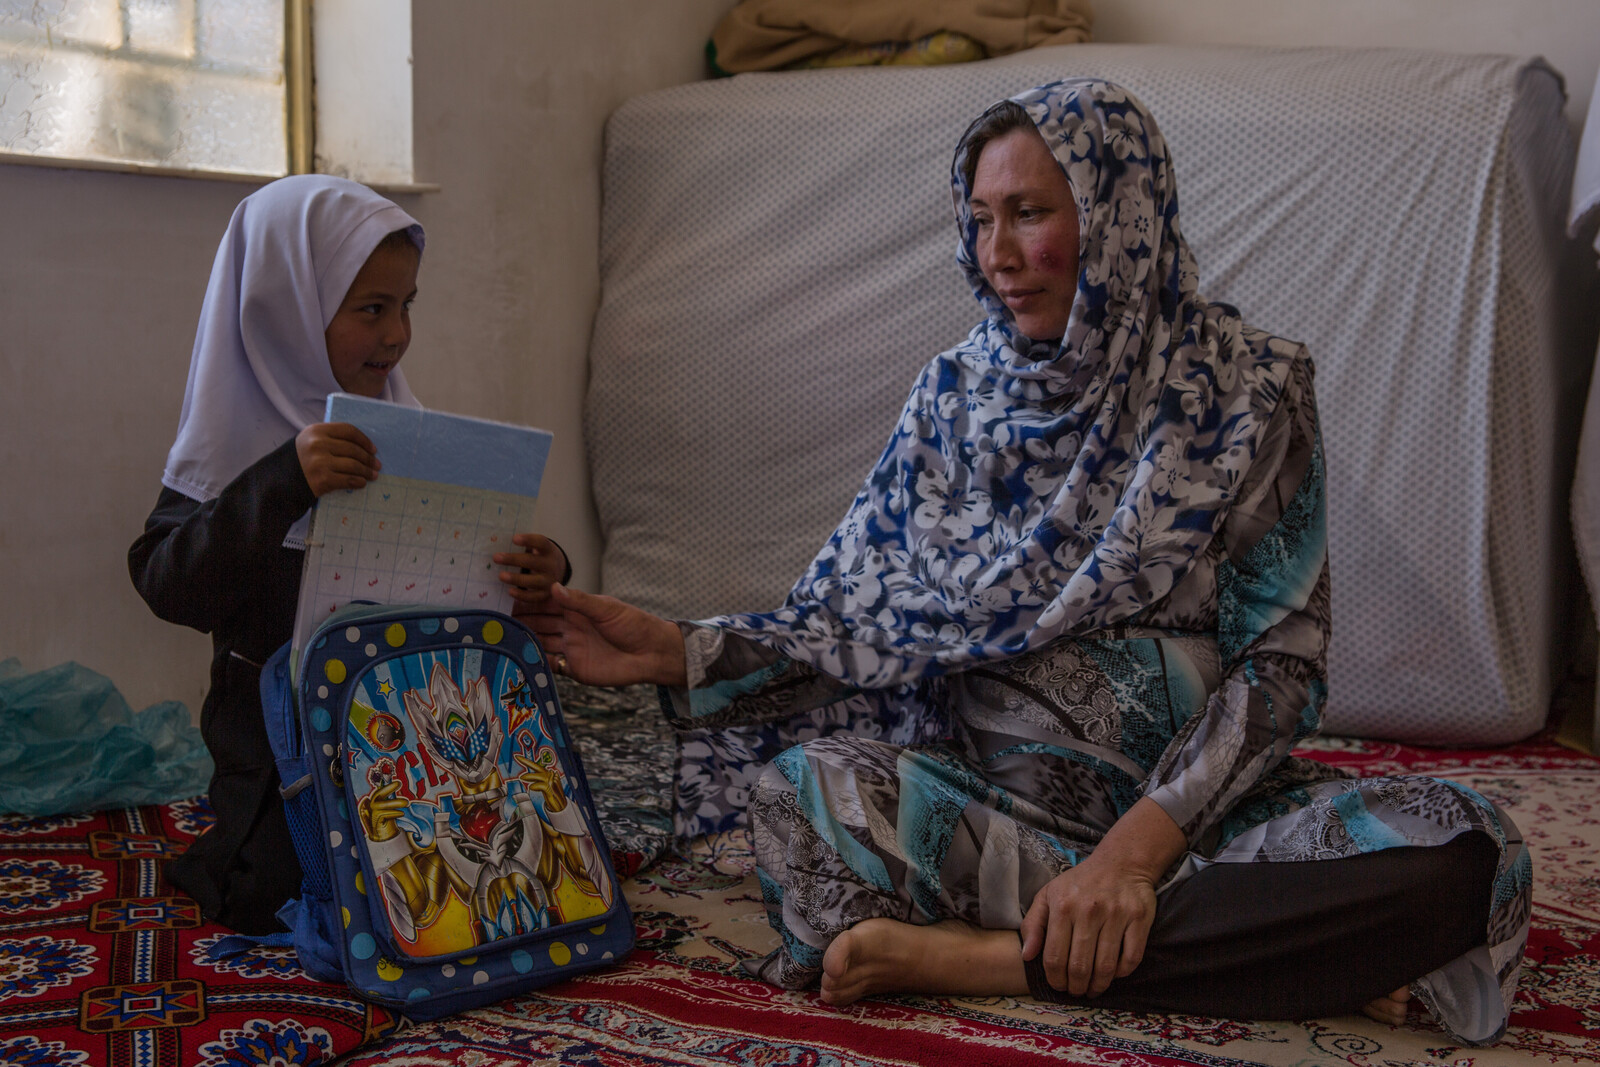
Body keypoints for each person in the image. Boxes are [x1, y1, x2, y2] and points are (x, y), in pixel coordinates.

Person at [529, 80, 1530, 1046]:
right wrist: (674, 650)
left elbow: (1281, 663)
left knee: (1462, 845)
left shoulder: (1248, 390)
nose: (998, 254)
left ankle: (985, 960)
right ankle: (1276, 952)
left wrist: (1133, 861)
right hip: (995, 824)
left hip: (1197, 823)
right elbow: (856, 624)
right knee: (804, 791)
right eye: (978, 219)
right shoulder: (952, 399)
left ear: (1116, 212)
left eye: (1029, 213)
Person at [129, 176, 571, 935]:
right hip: (285, 765)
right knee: (272, 891)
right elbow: (168, 582)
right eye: (372, 308)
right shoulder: (232, 450)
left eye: (407, 305)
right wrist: (284, 481)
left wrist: (542, 568)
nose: (397, 334)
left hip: (417, 749)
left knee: (515, 865)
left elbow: (467, 582)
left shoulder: (406, 434)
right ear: (287, 311)